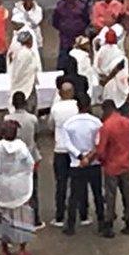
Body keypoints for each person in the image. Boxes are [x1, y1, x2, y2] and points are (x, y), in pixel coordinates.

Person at [60, 94, 105, 236]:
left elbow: (67, 144)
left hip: (76, 163)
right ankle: (102, 223)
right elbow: (99, 143)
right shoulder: (96, 122)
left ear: (77, 107)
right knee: (97, 193)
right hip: (94, 162)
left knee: (74, 195)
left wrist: (80, 156)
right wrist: (89, 157)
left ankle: (71, 225)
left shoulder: (69, 124)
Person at [0, 120, 36, 255]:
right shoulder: (21, 146)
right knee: (22, 216)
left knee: (4, 216)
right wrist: (24, 174)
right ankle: (22, 248)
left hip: (3, 185)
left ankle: (4, 248)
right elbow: (30, 163)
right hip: (20, 186)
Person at [95, 99, 129, 238]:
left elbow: (101, 150)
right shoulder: (128, 123)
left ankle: (109, 224)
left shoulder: (106, 126)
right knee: (128, 194)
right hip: (126, 164)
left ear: (106, 110)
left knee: (110, 196)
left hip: (111, 166)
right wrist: (128, 156)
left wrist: (103, 161)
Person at [48, 82, 86, 228]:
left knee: (61, 184)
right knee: (80, 183)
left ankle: (59, 216)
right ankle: (83, 214)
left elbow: (51, 125)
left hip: (60, 149)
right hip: (76, 150)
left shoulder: (56, 108)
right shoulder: (77, 107)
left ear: (60, 93)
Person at [4, 92, 42, 226]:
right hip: (30, 157)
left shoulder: (7, 118)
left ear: (13, 105)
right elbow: (36, 136)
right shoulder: (32, 119)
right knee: (32, 189)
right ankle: (35, 218)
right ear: (25, 104)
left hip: (13, 159)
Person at [52, 0, 90, 71]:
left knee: (80, 61)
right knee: (63, 61)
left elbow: (86, 19)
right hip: (65, 38)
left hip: (78, 38)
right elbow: (55, 21)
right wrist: (63, 28)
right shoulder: (60, 6)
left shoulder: (82, 5)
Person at [94, 29, 129, 109]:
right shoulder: (118, 51)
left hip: (104, 82)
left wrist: (102, 77)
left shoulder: (101, 51)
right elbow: (120, 67)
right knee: (118, 102)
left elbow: (96, 66)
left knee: (107, 103)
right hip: (116, 82)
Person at [8, 31, 40, 112]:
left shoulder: (17, 52)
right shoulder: (27, 53)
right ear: (30, 41)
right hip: (27, 84)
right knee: (29, 107)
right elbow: (33, 68)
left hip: (19, 83)